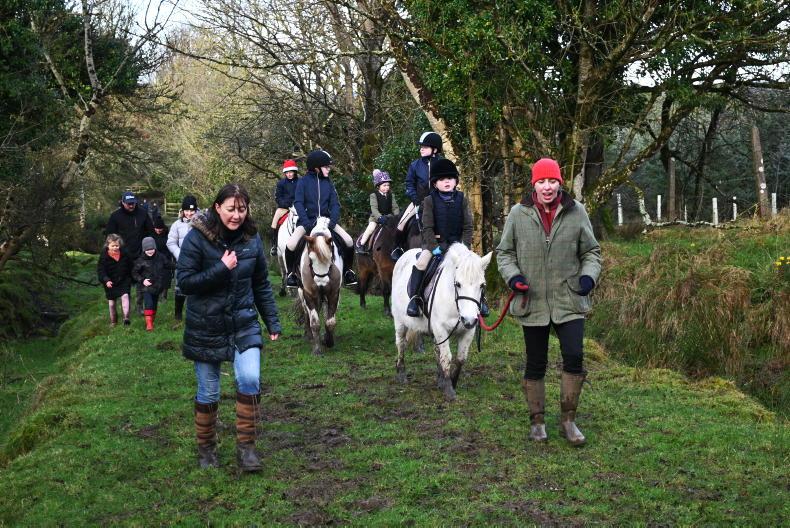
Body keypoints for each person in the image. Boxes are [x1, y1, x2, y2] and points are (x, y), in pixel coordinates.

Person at [496, 158, 601, 446]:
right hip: (532, 301)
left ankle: (568, 421)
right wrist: (514, 277)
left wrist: (588, 278)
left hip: (570, 299)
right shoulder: (518, 214)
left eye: (552, 181)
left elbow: (591, 252)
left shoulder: (577, 212)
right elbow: (504, 253)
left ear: (559, 184)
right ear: (534, 184)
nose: (547, 187)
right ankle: (537, 422)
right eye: (541, 181)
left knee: (574, 356)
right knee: (536, 362)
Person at [177, 183, 281, 471]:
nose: (237, 215)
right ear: (217, 207)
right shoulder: (196, 238)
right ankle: (206, 450)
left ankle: (247, 450)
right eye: (231, 209)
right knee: (209, 391)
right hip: (206, 324)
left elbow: (261, 283)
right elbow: (184, 282)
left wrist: (271, 320)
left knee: (250, 379)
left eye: (242, 209)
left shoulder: (251, 238)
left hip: (243, 322)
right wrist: (220, 269)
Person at [405, 158, 473, 317]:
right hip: (434, 245)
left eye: (449, 178)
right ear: (435, 184)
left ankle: (481, 301)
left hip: (457, 246)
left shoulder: (462, 200)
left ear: (455, 181)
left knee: (474, 266)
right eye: (442, 179)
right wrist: (434, 247)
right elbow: (427, 227)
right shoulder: (429, 201)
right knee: (421, 263)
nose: (446, 182)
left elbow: (468, 226)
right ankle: (414, 299)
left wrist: (465, 246)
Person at [284, 150, 358, 288]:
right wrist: (306, 222)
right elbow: (298, 203)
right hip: (307, 221)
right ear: (316, 167)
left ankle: (348, 271)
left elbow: (335, 204)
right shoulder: (303, 182)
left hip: (327, 221)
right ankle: (291, 274)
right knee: (291, 244)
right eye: (326, 167)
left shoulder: (328, 183)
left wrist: (332, 221)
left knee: (348, 240)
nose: (329, 169)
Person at [392, 132, 443, 260]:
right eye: (421, 147)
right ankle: (397, 248)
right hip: (418, 201)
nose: (421, 149)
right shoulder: (415, 165)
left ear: (435, 149)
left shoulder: (443, 164)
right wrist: (415, 199)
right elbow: (409, 184)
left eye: (425, 147)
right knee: (401, 224)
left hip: (439, 202)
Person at [105, 191, 154, 315]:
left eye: (133, 203)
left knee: (142, 280)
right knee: (124, 282)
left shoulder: (143, 214)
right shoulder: (115, 216)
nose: (131, 205)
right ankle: (125, 309)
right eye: (128, 203)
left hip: (140, 253)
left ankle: (140, 306)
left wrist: (149, 248)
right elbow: (109, 235)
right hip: (122, 255)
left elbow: (150, 232)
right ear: (122, 203)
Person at [167, 195, 199, 321]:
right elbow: (171, 242)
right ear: (182, 210)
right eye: (187, 210)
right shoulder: (176, 225)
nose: (189, 213)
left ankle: (196, 313)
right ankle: (178, 315)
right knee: (180, 287)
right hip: (182, 261)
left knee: (198, 285)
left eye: (192, 210)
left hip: (198, 261)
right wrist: (180, 255)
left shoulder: (203, 222)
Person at [355, 169, 400, 255]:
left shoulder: (391, 195)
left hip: (388, 217)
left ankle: (399, 245)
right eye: (384, 185)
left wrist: (397, 216)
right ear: (378, 186)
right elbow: (374, 209)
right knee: (371, 228)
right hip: (376, 218)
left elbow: (395, 207)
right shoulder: (373, 195)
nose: (387, 187)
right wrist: (379, 217)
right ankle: (361, 245)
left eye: (388, 185)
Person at [132, 237, 172, 332]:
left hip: (157, 286)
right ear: (144, 250)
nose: (150, 251)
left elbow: (168, 264)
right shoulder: (141, 260)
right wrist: (142, 280)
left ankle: (151, 319)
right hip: (146, 287)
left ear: (155, 248)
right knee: (148, 303)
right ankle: (149, 324)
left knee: (154, 305)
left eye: (152, 249)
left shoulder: (160, 257)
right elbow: (134, 273)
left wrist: (180, 265)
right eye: (147, 250)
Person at [97, 233, 132, 327]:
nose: (115, 247)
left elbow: (131, 266)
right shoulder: (104, 256)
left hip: (123, 280)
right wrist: (106, 280)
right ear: (107, 245)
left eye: (117, 245)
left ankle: (126, 318)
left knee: (125, 296)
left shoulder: (125, 254)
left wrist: (131, 278)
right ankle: (113, 322)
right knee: (112, 303)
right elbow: (101, 270)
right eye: (113, 246)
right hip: (110, 282)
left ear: (120, 245)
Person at [270, 159, 300, 256]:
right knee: (274, 221)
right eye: (287, 173)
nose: (289, 174)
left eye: (291, 172)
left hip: (298, 207)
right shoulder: (281, 183)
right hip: (284, 208)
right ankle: (274, 245)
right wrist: (285, 204)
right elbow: (278, 197)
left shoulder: (301, 182)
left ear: (294, 172)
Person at [152, 215, 173, 301]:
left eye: (160, 228)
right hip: (154, 258)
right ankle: (156, 293)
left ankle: (164, 296)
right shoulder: (151, 235)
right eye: (156, 228)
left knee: (166, 276)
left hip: (166, 258)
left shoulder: (168, 235)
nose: (158, 230)